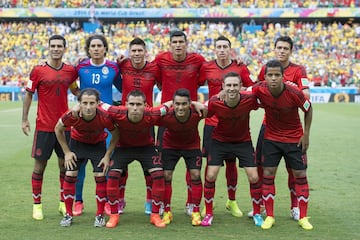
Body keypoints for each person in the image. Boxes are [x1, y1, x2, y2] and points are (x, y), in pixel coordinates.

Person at [248, 36, 310, 220]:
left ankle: (295, 207)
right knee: (261, 166)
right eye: (279, 48)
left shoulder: (299, 70)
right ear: (274, 49)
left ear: (291, 51)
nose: (282, 51)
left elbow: (306, 94)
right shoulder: (266, 68)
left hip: (291, 130)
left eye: (285, 48)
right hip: (268, 126)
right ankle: (259, 206)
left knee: (294, 169)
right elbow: (256, 89)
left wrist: (290, 87)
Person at [21, 34, 78, 220]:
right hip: (44, 127)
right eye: (53, 45)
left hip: (64, 127)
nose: (56, 48)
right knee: (39, 167)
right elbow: (29, 95)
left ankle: (63, 203)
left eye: (59, 46)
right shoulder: (38, 70)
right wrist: (24, 119)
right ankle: (37, 206)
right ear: (49, 47)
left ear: (64, 48)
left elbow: (76, 90)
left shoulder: (70, 71)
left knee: (65, 166)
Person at [199, 35, 255, 217]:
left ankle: (232, 201)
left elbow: (253, 88)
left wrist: (234, 92)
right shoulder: (206, 67)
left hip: (234, 123)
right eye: (219, 47)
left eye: (225, 46)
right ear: (214, 49)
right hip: (212, 123)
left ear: (230, 49)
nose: (222, 49)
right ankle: (207, 205)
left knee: (232, 164)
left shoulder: (239, 66)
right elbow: (195, 83)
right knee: (210, 165)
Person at [153, 30, 206, 215]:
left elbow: (210, 73)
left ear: (186, 43)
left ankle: (191, 204)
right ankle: (161, 204)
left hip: (189, 115)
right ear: (170, 44)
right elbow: (154, 78)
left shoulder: (197, 60)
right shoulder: (160, 59)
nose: (177, 45)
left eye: (180, 42)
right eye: (174, 42)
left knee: (192, 165)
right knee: (163, 167)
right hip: (166, 117)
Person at [201, 72, 262, 227]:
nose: (232, 88)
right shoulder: (215, 101)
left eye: (235, 85)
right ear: (223, 86)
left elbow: (264, 97)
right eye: (229, 85)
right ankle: (208, 213)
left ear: (241, 86)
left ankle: (256, 213)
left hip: (243, 142)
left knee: (254, 177)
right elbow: (203, 113)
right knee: (211, 175)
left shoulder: (249, 100)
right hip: (220, 142)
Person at [103, 90, 171, 228]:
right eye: (132, 104)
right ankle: (114, 215)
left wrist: (194, 103)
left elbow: (170, 105)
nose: (135, 108)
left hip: (146, 148)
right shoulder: (117, 112)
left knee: (158, 175)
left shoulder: (152, 113)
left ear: (145, 105)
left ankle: (155, 214)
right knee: (113, 175)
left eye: (138, 104)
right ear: (125, 104)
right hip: (124, 148)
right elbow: (99, 104)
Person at [73, 34, 122, 216]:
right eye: (92, 46)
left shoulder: (113, 67)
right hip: (83, 121)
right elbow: (69, 80)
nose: (95, 49)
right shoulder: (81, 66)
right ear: (88, 49)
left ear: (105, 48)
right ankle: (78, 201)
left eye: (99, 46)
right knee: (80, 165)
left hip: (106, 121)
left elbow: (123, 87)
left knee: (106, 163)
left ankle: (108, 201)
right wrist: (79, 95)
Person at [54, 88, 119, 227]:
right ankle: (68, 215)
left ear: (98, 103)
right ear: (79, 103)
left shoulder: (105, 116)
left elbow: (116, 134)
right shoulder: (72, 115)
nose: (88, 107)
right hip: (78, 145)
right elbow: (57, 129)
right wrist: (67, 152)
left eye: (92, 103)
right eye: (85, 103)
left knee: (100, 176)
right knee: (70, 175)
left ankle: (100, 215)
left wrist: (107, 156)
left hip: (97, 146)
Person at [116, 37, 161, 215]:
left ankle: (150, 201)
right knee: (121, 164)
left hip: (147, 121)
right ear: (129, 52)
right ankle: (120, 200)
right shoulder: (122, 65)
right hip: (124, 120)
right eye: (133, 51)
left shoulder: (154, 68)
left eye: (139, 50)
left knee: (148, 164)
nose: (136, 54)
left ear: (145, 52)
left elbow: (164, 83)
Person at [158, 88, 204, 226]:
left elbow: (214, 108)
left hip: (192, 146)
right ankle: (167, 211)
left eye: (184, 104)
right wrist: (165, 105)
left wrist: (199, 104)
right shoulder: (166, 115)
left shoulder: (198, 113)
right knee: (166, 175)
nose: (180, 107)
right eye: (177, 104)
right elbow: (149, 115)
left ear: (190, 103)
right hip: (170, 146)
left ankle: (195, 211)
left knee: (195, 175)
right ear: (173, 103)